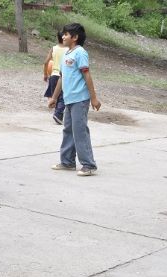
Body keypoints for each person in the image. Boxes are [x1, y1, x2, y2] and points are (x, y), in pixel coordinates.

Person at [47, 23, 101, 177]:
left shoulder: (80, 53)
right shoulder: (66, 54)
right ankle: (67, 161)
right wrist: (54, 98)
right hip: (69, 100)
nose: (63, 36)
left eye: (66, 34)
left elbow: (87, 75)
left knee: (80, 131)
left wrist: (94, 98)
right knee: (68, 130)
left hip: (80, 100)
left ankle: (89, 165)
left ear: (75, 37)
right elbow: (61, 78)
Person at [43, 31, 67, 124]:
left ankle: (58, 115)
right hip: (63, 76)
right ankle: (58, 114)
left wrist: (45, 74)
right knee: (63, 97)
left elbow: (46, 62)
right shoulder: (69, 49)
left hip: (53, 75)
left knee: (55, 96)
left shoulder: (54, 48)